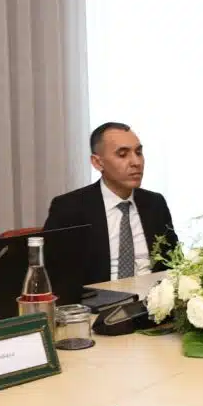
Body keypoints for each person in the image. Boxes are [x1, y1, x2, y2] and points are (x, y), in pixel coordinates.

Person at [43, 122, 178, 284]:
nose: (136, 162)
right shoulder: (69, 207)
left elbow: (174, 263)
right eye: (123, 154)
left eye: (138, 152)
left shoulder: (155, 204)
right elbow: (54, 274)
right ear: (97, 162)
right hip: (98, 298)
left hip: (152, 296)